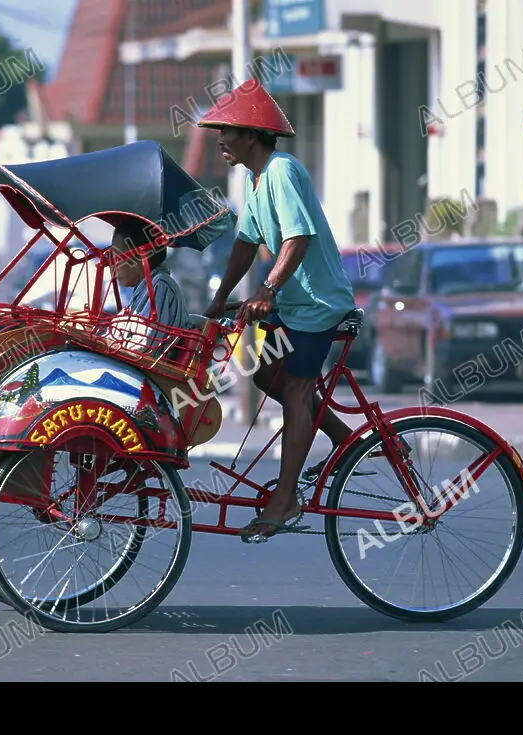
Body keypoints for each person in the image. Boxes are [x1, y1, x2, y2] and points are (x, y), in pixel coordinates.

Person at [196, 80, 360, 542]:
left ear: (252, 134)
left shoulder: (282, 170)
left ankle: (285, 499)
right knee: (264, 373)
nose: (220, 140)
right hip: (293, 305)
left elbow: (298, 237)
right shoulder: (256, 180)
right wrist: (221, 298)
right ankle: (345, 439)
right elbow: (246, 244)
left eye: (228, 131)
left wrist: (266, 290)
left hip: (318, 305)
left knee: (296, 390)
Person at [107, 216, 194, 355]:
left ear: (143, 256)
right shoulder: (141, 291)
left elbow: (146, 348)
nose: (112, 266)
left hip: (148, 367)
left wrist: (108, 344)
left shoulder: (161, 284)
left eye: (118, 257)